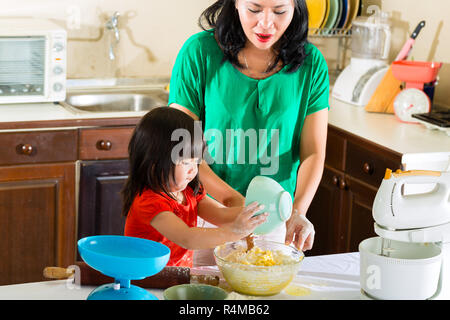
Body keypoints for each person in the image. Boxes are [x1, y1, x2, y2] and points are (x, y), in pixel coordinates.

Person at [169, 0, 329, 253]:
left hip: (274, 220)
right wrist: (236, 205)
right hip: (207, 217)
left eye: (279, 11)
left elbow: (313, 152)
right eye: (254, 9)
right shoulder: (198, 52)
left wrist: (297, 212)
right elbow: (182, 149)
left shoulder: (312, 64)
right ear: (235, 4)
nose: (266, 23)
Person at [122, 107, 267, 267]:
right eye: (185, 162)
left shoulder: (189, 191)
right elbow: (187, 238)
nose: (193, 169)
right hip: (146, 282)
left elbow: (220, 214)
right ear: (154, 164)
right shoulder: (149, 202)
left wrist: (254, 214)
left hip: (174, 281)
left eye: (196, 161)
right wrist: (233, 233)